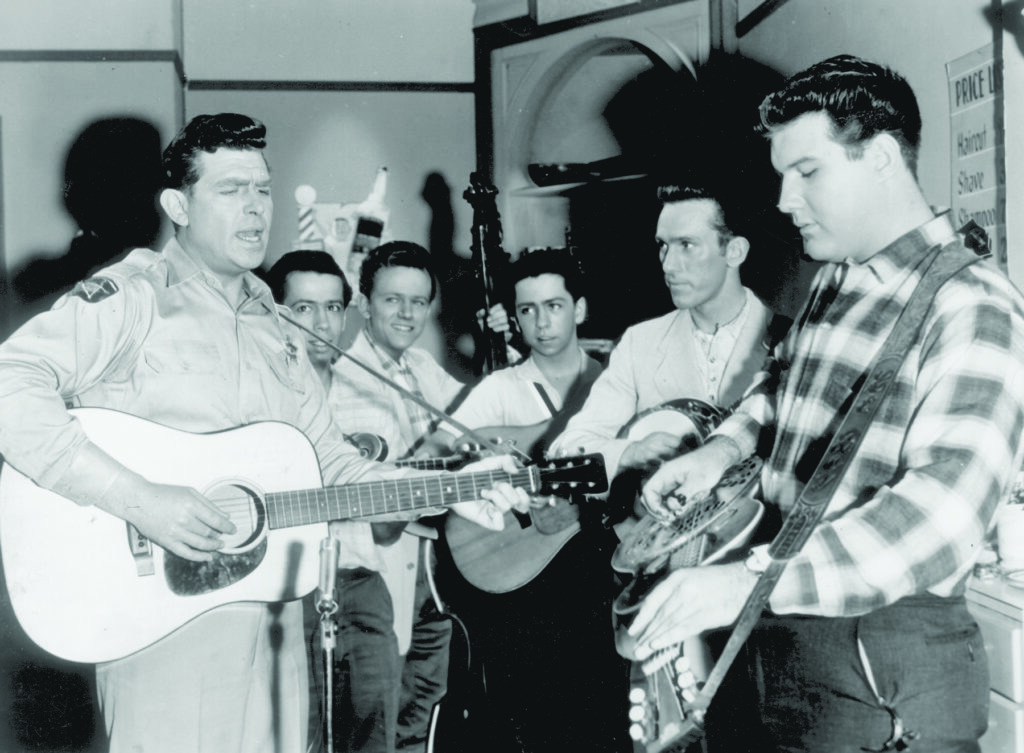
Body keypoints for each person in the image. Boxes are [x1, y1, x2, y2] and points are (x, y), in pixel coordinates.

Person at [0, 113, 526, 753]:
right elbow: (11, 386)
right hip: (159, 622)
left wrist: (452, 490)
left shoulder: (282, 330)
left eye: (262, 190)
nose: (255, 210)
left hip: (274, 619)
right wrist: (139, 498)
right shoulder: (134, 298)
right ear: (178, 205)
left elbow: (337, 469)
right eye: (230, 190)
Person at [633, 55, 1024, 753]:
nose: (784, 199)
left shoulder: (974, 304)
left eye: (807, 172)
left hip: (888, 663)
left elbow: (943, 513)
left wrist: (745, 584)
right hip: (790, 632)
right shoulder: (835, 278)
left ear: (878, 156)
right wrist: (720, 449)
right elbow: (781, 388)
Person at [428, 246, 632, 753]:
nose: (541, 323)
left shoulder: (618, 382)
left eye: (554, 306)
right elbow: (442, 453)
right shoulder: (501, 388)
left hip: (609, 571)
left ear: (579, 309)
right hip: (534, 588)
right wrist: (488, 468)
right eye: (527, 310)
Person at [324, 240, 507, 753]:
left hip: (433, 565)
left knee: (425, 701)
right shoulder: (336, 375)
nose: (407, 313)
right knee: (374, 710)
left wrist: (499, 345)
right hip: (373, 566)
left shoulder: (423, 366)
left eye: (418, 301)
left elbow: (482, 419)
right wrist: (430, 456)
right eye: (392, 299)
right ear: (364, 301)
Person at [265, 248, 403, 753]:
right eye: (303, 308)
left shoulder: (375, 395)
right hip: (285, 592)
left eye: (332, 307)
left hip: (363, 589)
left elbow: (387, 531)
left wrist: (404, 496)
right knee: (297, 737)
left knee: (374, 735)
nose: (321, 323)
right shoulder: (260, 398)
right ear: (275, 313)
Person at [550, 181, 777, 486]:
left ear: (734, 251)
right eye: (663, 245)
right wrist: (628, 452)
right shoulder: (639, 343)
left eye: (687, 245)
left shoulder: (792, 341)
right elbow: (566, 449)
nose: (668, 265)